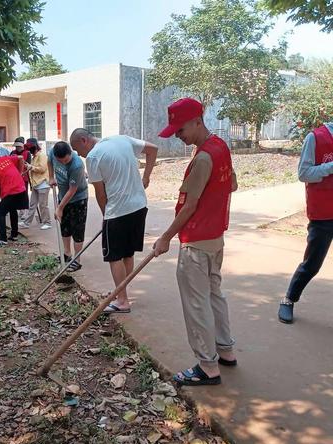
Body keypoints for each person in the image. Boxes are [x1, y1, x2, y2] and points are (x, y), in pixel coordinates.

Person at [153, 98, 237, 387]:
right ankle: (225, 351)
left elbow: (188, 207)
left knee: (196, 304)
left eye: (180, 130)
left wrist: (165, 238)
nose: (178, 135)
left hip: (197, 242)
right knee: (214, 295)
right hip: (215, 238)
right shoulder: (220, 147)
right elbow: (232, 184)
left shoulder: (202, 158)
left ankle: (207, 366)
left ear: (197, 121)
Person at [70, 128, 158, 313]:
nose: (79, 155)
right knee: (127, 254)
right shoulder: (122, 139)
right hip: (139, 206)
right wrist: (146, 177)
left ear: (84, 140)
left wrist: (106, 218)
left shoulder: (93, 157)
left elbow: (101, 195)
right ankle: (122, 293)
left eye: (78, 150)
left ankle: (122, 300)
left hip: (118, 212)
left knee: (114, 256)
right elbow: (153, 149)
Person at [278, 122, 333, 324]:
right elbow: (304, 173)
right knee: (313, 263)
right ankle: (288, 299)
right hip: (324, 214)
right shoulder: (316, 138)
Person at [48, 141, 89, 271]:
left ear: (70, 153)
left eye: (66, 160)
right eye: (61, 161)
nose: (64, 163)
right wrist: (51, 177)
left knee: (77, 230)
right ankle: (66, 254)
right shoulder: (53, 153)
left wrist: (59, 208)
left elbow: (72, 190)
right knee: (65, 227)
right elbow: (49, 162)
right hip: (62, 196)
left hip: (78, 199)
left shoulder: (77, 165)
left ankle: (77, 260)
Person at [19, 138, 52, 230]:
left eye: (30, 149)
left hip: (43, 184)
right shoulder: (35, 157)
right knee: (32, 205)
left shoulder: (42, 156)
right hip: (36, 184)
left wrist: (30, 167)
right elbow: (33, 168)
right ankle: (27, 223)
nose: (29, 151)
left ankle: (47, 222)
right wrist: (29, 167)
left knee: (43, 205)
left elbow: (42, 169)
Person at [12, 137, 32, 221]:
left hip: (24, 177)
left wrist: (21, 161)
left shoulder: (27, 153)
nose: (18, 148)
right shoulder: (12, 153)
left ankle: (25, 211)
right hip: (15, 177)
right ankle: (20, 209)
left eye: (19, 146)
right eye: (16, 146)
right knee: (17, 194)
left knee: (24, 194)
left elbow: (28, 165)